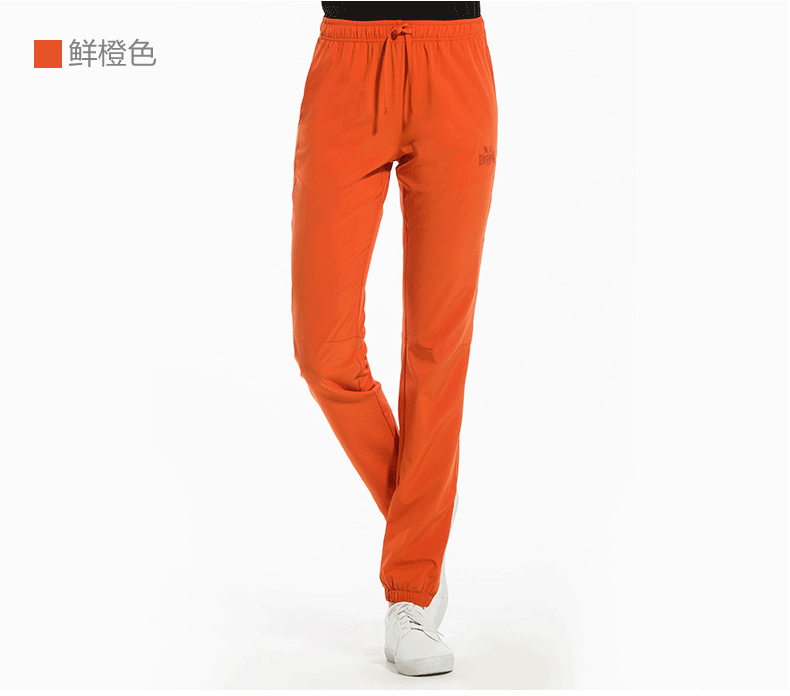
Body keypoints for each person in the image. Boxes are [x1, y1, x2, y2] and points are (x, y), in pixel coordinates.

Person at [290, 0, 496, 677]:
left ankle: (411, 589)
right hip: (347, 61)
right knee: (322, 351)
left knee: (438, 345)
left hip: (453, 57)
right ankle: (422, 532)